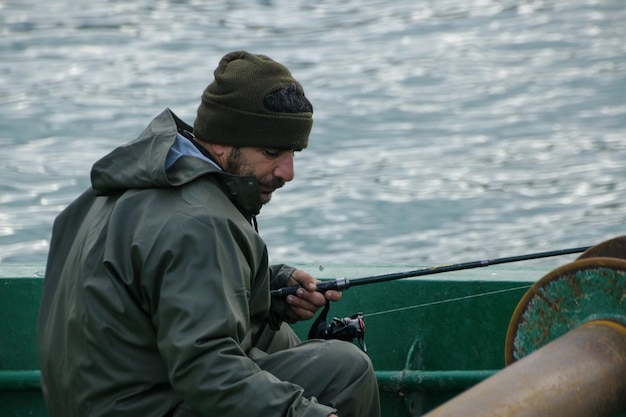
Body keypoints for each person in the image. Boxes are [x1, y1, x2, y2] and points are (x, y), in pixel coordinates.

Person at [37, 51, 380, 417]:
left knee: (275, 335)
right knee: (347, 369)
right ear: (221, 141)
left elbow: (157, 280)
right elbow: (206, 369)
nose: (288, 171)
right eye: (271, 152)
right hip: (144, 405)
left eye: (293, 152)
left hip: (94, 397)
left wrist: (272, 286)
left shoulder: (123, 186)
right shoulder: (200, 221)